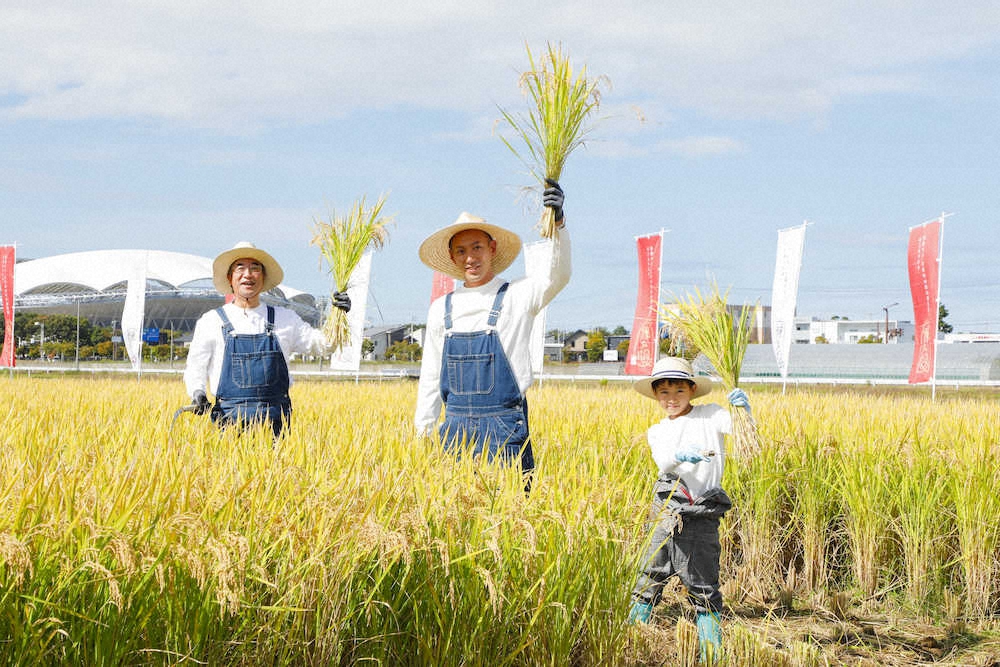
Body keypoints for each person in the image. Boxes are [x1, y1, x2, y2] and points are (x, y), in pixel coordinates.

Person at [413, 180, 570, 486]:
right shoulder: (441, 308)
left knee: (510, 518)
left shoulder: (518, 294)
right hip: (454, 429)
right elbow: (431, 376)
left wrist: (559, 222)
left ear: (492, 248)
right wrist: (424, 432)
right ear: (453, 257)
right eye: (461, 250)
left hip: (504, 427)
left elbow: (559, 275)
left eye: (477, 247)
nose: (470, 257)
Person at [627, 356, 751, 663]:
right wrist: (682, 455)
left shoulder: (712, 415)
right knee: (649, 573)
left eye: (679, 391)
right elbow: (664, 462)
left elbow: (744, 433)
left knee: (703, 582)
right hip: (666, 508)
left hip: (702, 512)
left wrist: (744, 410)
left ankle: (712, 652)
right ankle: (632, 641)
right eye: (664, 393)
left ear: (692, 390)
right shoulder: (657, 431)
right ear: (656, 395)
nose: (671, 399)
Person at [183, 241, 350, 438]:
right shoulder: (211, 321)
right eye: (240, 268)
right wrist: (198, 393)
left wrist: (340, 314)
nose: (248, 274)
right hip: (227, 421)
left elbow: (324, 345)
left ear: (263, 278)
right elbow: (196, 366)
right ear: (230, 277)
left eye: (255, 268)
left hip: (276, 421)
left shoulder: (285, 318)